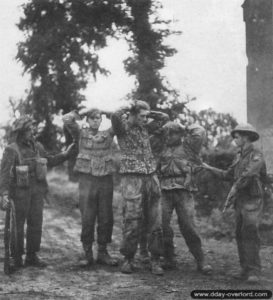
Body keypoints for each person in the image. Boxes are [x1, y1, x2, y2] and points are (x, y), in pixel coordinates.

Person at [0, 115, 75, 270]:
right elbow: (5, 175)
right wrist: (4, 195)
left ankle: (32, 255)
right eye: (28, 129)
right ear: (20, 131)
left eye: (33, 128)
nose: (32, 131)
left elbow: (50, 160)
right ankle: (16, 257)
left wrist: (66, 154)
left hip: (37, 191)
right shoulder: (11, 149)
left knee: (36, 224)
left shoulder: (38, 147)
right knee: (17, 226)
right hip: (20, 193)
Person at [202, 123, 266, 283]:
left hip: (252, 197)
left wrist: (236, 187)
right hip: (240, 199)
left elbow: (249, 174)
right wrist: (208, 167)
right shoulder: (238, 156)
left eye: (237, 137)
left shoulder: (256, 154)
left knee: (250, 231)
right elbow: (228, 175)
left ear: (246, 137)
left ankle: (254, 271)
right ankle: (245, 269)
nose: (234, 140)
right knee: (240, 232)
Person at [111, 100, 168, 275]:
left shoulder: (146, 128)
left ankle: (155, 260)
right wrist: (130, 108)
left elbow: (164, 117)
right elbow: (115, 115)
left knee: (155, 221)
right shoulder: (122, 128)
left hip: (151, 178)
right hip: (132, 179)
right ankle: (128, 258)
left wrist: (148, 112)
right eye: (141, 116)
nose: (145, 119)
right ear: (133, 115)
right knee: (132, 220)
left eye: (146, 117)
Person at [63, 108, 118, 267]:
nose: (95, 120)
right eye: (92, 118)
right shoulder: (80, 133)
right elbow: (67, 119)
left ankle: (103, 252)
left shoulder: (108, 134)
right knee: (87, 216)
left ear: (101, 120)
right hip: (87, 180)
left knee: (106, 217)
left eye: (98, 118)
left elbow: (119, 123)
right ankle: (87, 253)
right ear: (87, 120)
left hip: (105, 180)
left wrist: (107, 112)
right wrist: (82, 111)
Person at [158, 121, 212, 274]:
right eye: (166, 134)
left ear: (179, 134)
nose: (168, 137)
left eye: (172, 133)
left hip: (183, 190)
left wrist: (182, 128)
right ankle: (169, 258)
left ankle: (201, 260)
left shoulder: (189, 147)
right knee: (162, 225)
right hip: (164, 190)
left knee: (188, 225)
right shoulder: (161, 148)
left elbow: (200, 131)